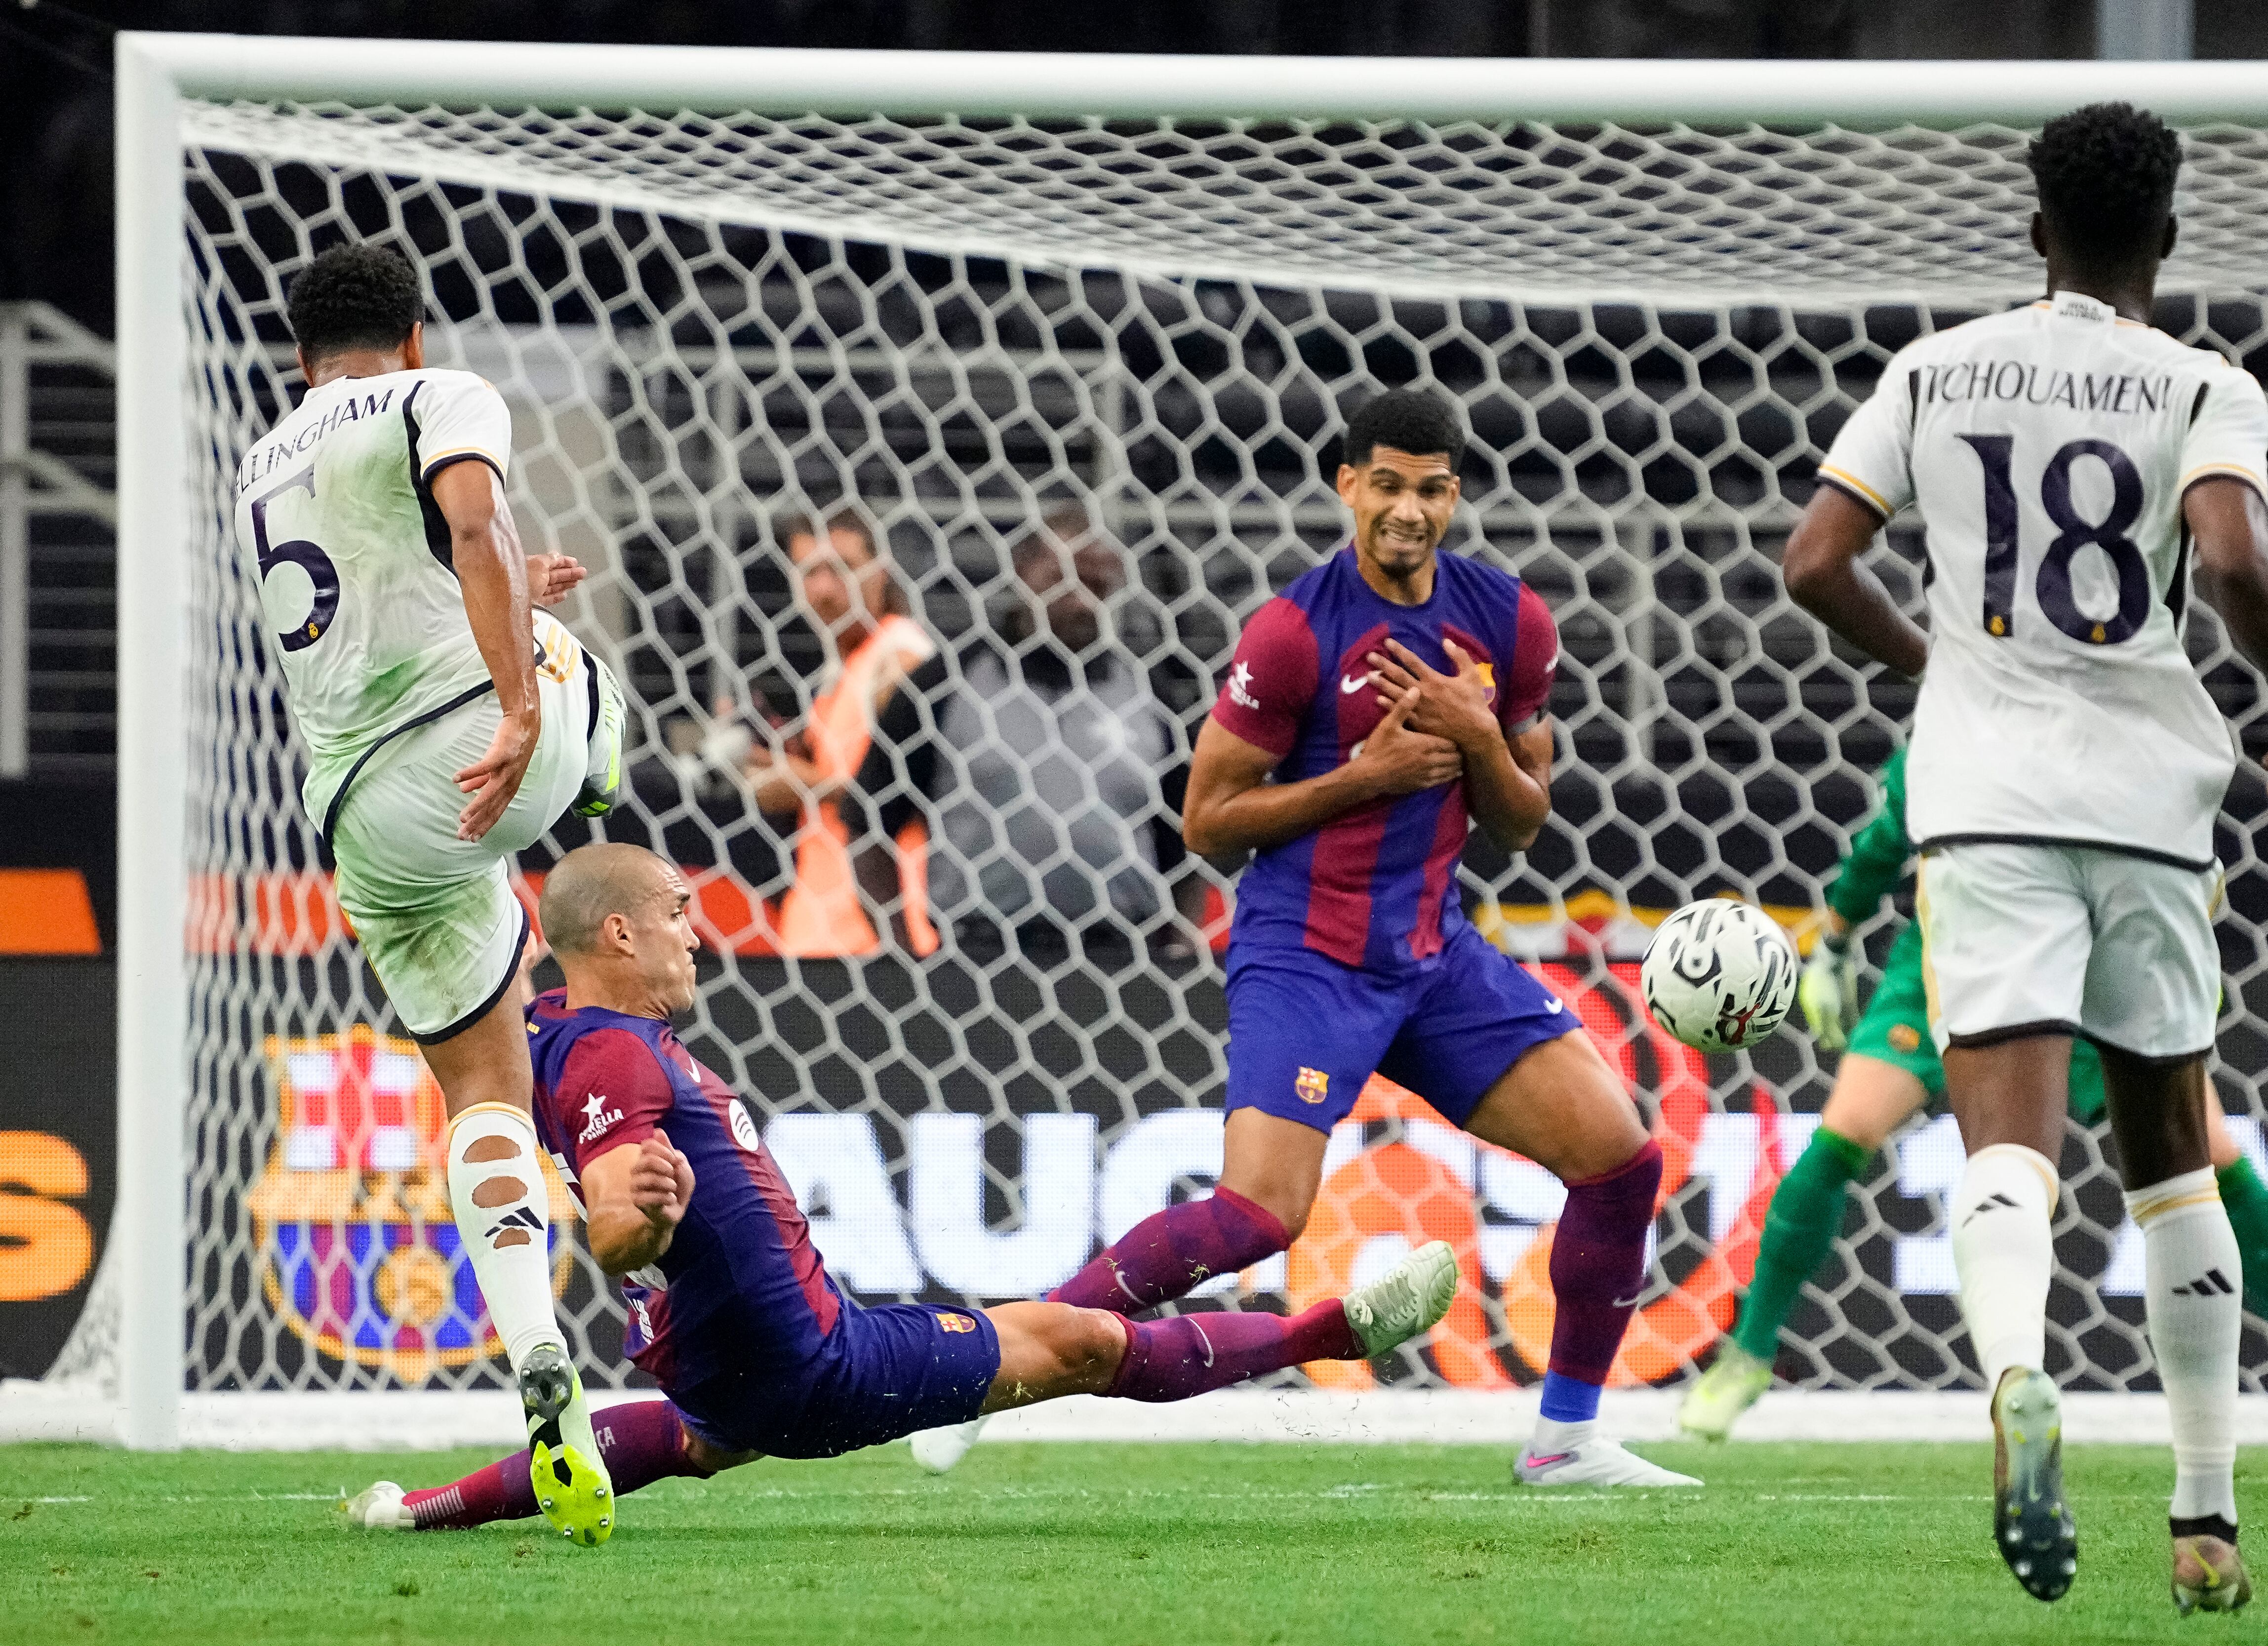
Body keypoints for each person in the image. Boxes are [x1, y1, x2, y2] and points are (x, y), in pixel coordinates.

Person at [912, 388, 1696, 1489]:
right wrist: (1361, 777)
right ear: (1348, 488)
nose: (1408, 510)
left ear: (1454, 493)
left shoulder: (1510, 622)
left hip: (1434, 954)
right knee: (1259, 1215)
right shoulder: (1293, 633)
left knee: (1622, 1158)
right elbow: (1204, 823)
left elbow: (1522, 820)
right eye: (1386, 485)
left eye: (1429, 488)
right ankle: (987, 1367)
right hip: (1306, 952)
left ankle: (1563, 1439)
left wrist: (1475, 733)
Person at [1782, 103, 2268, 1610]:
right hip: (2149, 805)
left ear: (2031, 233)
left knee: (2004, 1155)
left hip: (1981, 799)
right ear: (2164, 238)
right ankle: (2203, 1515)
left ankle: (2019, 1378)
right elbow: (2230, 557)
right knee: (2173, 1161)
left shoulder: (1932, 367)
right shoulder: (2199, 383)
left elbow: (1812, 562)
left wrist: (1938, 664)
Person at [341, 843, 1459, 1535]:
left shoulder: (559, 1039)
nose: (698, 931)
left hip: (732, 1362)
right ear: (621, 931)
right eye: (679, 911)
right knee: (1078, 1348)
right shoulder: (613, 1056)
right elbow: (622, 1226)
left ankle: (430, 1509)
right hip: (813, 1361)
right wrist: (630, 1212)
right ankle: (1329, 1334)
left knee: (699, 1439)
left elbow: (517, 1069)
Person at [1677, 745, 2268, 1456]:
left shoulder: (2119, 727)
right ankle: (1748, 1354)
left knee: (2211, 1159)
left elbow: (2180, 851)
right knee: (1845, 1130)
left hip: (2098, 971)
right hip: (1950, 963)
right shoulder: (1948, 732)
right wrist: (1833, 943)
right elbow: (1882, 844)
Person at [237, 242, 629, 1539]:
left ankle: (538, 1366)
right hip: (485, 747)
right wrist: (526, 691)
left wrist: (508, 592)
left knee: (481, 1083)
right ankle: (600, 781)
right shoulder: (439, 393)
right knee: (574, 653)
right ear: (414, 335)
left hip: (365, 821)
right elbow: (471, 523)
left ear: (303, 358)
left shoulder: (262, 460)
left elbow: (394, 584)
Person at [930, 506, 1194, 949]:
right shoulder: (949, 682)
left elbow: (1187, 839)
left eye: (1096, 586)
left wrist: (1180, 944)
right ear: (1021, 572)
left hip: (1122, 954)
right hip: (981, 955)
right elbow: (868, 820)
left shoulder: (1148, 693)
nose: (1081, 602)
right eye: (1062, 581)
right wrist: (897, 950)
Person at [745, 507, 940, 958]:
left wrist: (802, 786)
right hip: (826, 927)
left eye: (843, 568)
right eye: (810, 572)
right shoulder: (848, 666)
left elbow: (912, 792)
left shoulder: (900, 657)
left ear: (881, 570)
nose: (826, 589)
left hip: (871, 932)